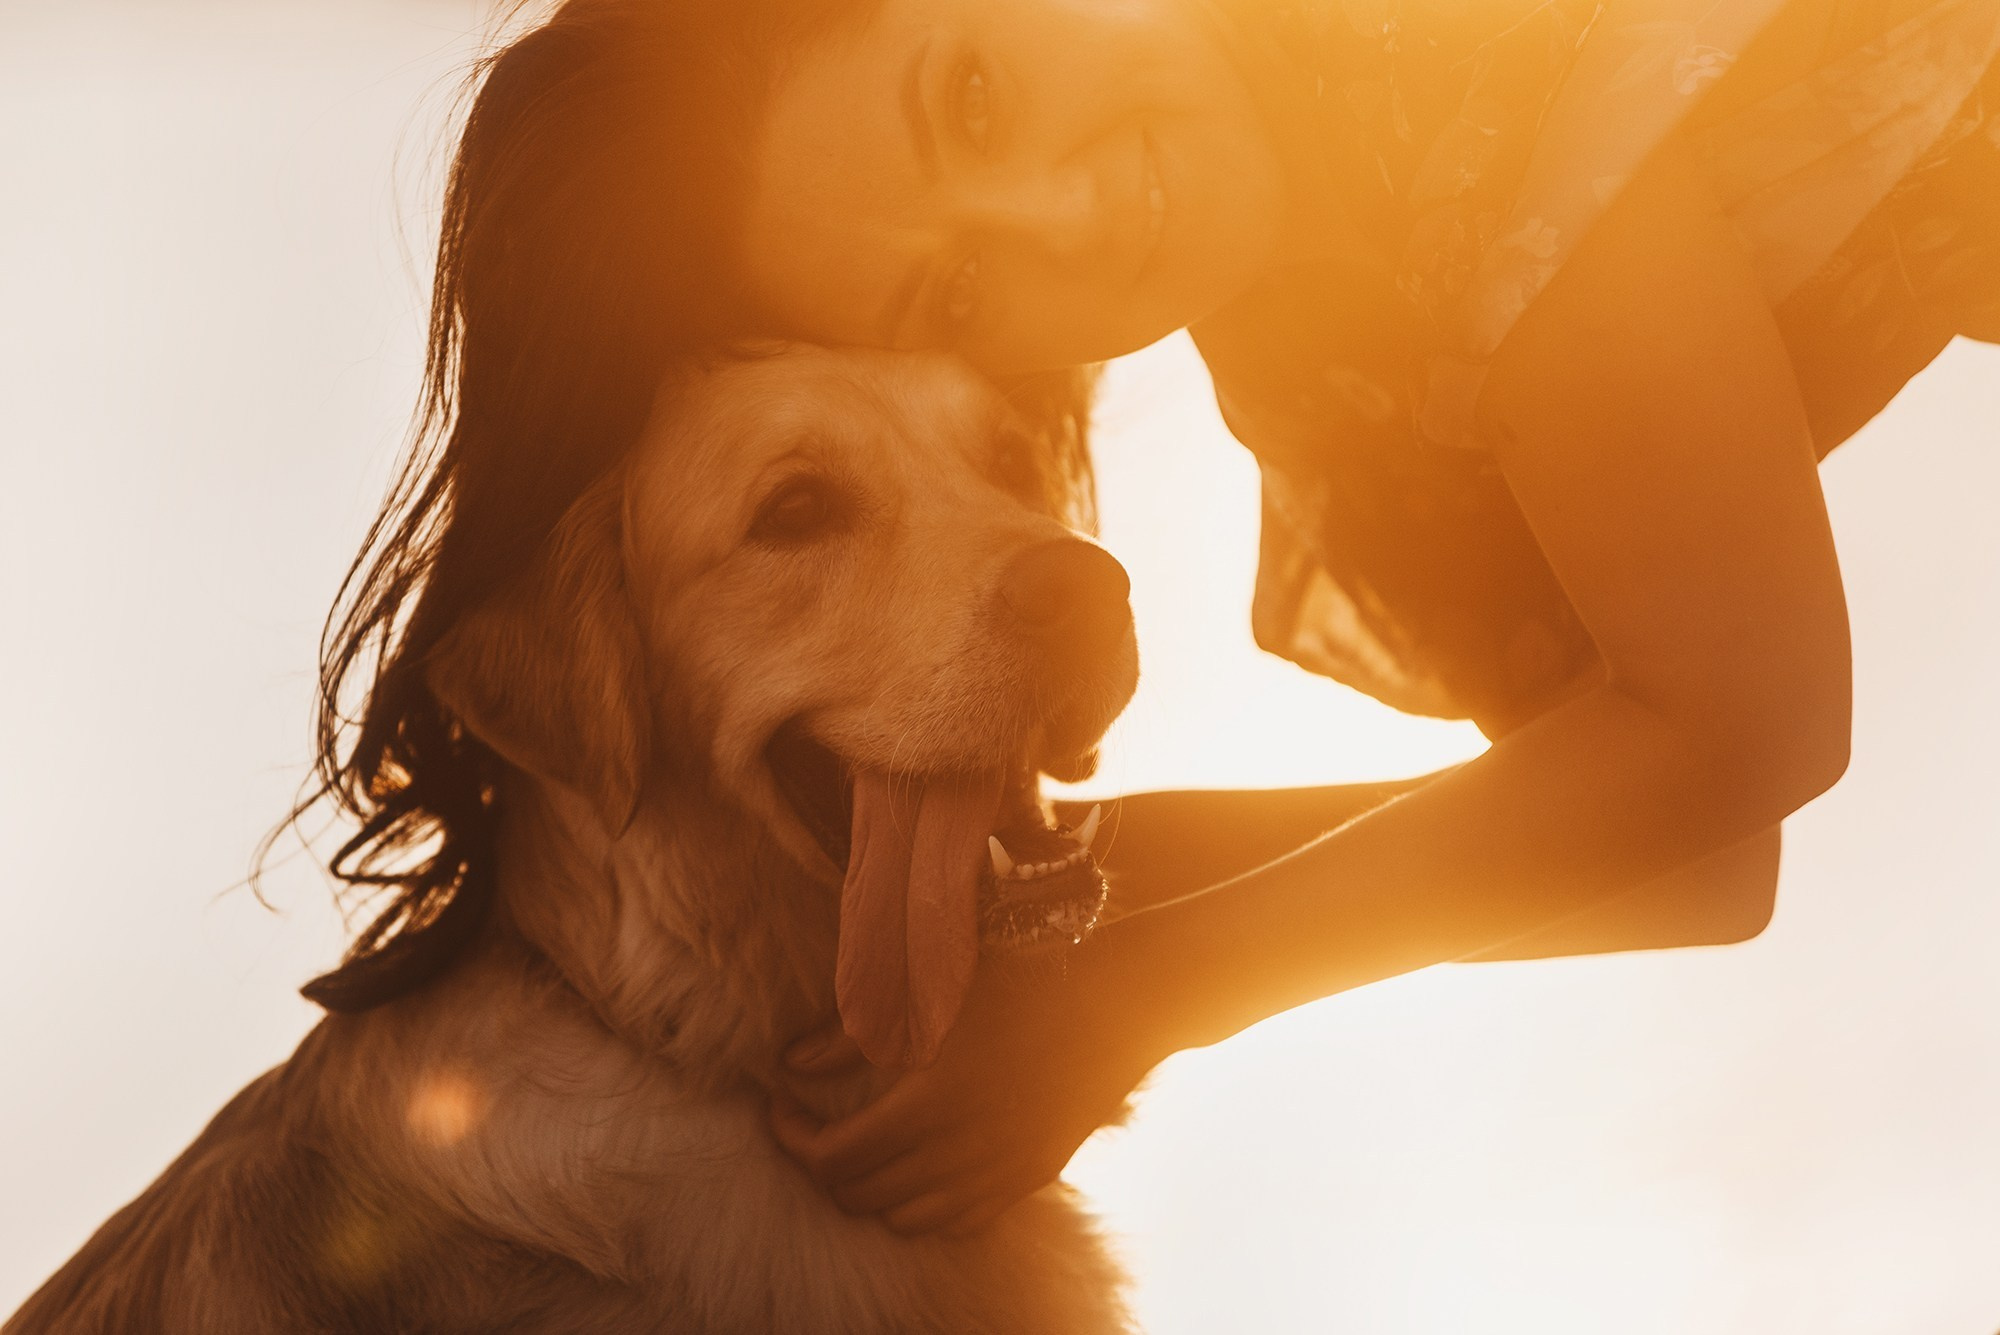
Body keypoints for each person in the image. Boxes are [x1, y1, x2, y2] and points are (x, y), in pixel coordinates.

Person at [298, 0, 2000, 1240]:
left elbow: (1752, 727)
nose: (1067, 212)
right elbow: (1693, 857)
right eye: (957, 291)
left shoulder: (1453, 79)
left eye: (971, 93)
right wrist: (1061, 893)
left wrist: (1139, 992)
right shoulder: (1353, 394)